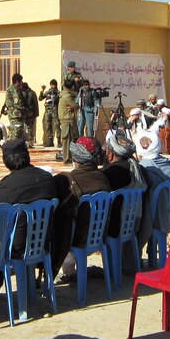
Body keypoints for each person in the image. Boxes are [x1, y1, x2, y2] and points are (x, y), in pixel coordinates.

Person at [53, 137, 112, 280]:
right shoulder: (103, 177)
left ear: (75, 157)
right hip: (100, 236)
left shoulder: (66, 179)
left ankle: (66, 271)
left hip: (77, 239)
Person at [57, 79, 78, 163]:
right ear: (72, 86)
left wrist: (71, 108)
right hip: (68, 120)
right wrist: (73, 107)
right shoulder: (67, 96)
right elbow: (76, 106)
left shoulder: (62, 94)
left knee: (67, 140)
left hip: (64, 120)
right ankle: (67, 159)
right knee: (68, 140)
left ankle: (67, 158)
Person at [1, 73, 26, 141]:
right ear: (17, 81)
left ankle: (18, 149)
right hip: (14, 115)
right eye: (21, 81)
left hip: (20, 115)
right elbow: (13, 104)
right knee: (15, 133)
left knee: (20, 133)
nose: (22, 82)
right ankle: (13, 148)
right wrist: (24, 109)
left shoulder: (19, 90)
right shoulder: (11, 90)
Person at [41, 79, 60, 147]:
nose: (52, 86)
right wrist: (42, 91)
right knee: (48, 126)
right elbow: (40, 98)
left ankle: (59, 141)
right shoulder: (47, 92)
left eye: (53, 85)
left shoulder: (58, 93)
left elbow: (60, 102)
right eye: (51, 85)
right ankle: (50, 141)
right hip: (48, 111)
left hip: (55, 110)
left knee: (57, 125)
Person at [21, 81, 40, 148]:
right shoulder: (31, 92)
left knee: (29, 128)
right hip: (32, 113)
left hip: (30, 113)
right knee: (30, 127)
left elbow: (29, 104)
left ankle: (30, 142)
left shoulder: (30, 93)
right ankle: (30, 141)